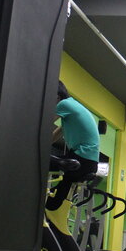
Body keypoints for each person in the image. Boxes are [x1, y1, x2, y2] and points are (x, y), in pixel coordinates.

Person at [47, 82, 101, 211]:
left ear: (57, 96)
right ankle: (51, 212)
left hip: (80, 159)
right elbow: (56, 134)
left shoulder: (64, 104)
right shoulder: (72, 106)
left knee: (39, 162)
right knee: (57, 197)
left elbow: (43, 122)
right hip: (88, 161)